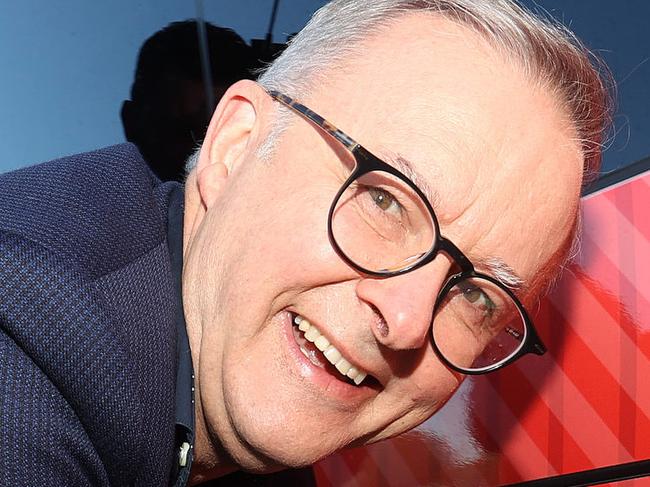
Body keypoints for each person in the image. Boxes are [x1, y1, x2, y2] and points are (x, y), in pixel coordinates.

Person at [0, 0, 612, 486]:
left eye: (479, 298)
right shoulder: (31, 333)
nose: (406, 320)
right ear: (235, 148)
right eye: (386, 201)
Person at [121, 21, 256, 182]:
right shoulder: (91, 199)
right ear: (133, 124)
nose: (204, 156)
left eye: (228, 130)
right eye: (180, 130)